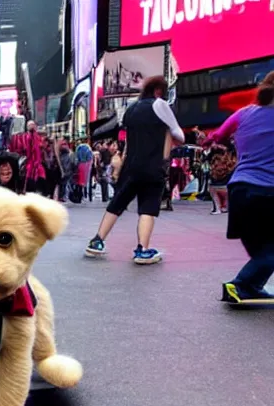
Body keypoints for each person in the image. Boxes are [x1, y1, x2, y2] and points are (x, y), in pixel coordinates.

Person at [85, 76, 185, 264]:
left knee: (117, 204)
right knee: (148, 207)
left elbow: (128, 143)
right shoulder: (160, 105)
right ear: (159, 91)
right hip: (153, 166)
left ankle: (97, 241)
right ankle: (142, 250)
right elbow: (178, 134)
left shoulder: (130, 110)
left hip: (131, 166)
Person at [204, 78, 274, 302]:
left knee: (263, 251)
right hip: (268, 191)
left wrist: (210, 140)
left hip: (239, 190)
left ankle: (252, 286)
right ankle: (240, 284)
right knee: (269, 252)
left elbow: (217, 136)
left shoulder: (243, 113)